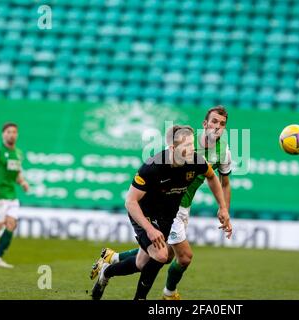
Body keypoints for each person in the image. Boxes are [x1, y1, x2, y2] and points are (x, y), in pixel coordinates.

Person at [90, 106, 233, 299]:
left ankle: (108, 267)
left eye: (222, 124)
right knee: (170, 256)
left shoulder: (201, 157)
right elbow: (131, 201)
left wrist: (223, 207)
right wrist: (149, 228)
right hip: (148, 211)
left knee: (145, 262)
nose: (217, 127)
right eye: (214, 122)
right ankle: (161, 294)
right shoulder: (153, 166)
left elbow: (214, 178)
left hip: (171, 211)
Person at [0, 123, 29, 268]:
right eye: (8, 132)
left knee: (11, 224)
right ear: (3, 134)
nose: (12, 134)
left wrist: (22, 182)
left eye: (14, 132)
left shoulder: (19, 153)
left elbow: (17, 172)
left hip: (12, 196)